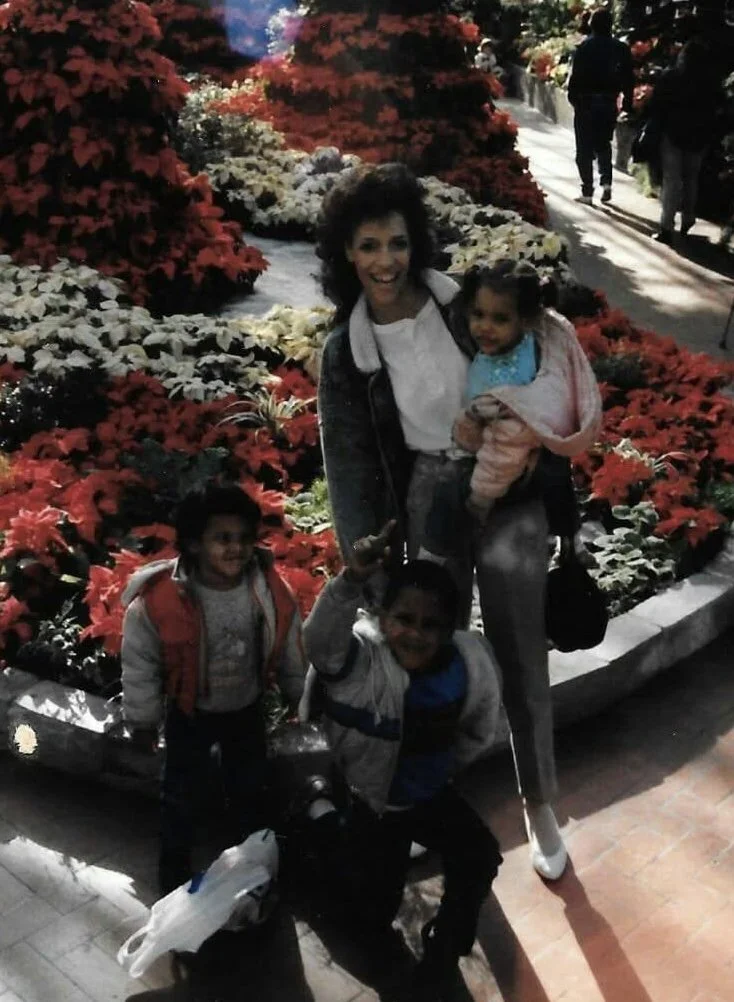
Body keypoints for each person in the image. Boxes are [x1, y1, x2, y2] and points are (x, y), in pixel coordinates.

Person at [315, 162, 603, 881]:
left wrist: (542, 452)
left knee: (519, 658)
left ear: (418, 243)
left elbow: (542, 368)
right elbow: (348, 460)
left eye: (398, 243)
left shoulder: (464, 305)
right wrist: (369, 558)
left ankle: (539, 802)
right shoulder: (345, 353)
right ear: (346, 255)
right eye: (370, 246)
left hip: (510, 487)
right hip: (430, 498)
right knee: (429, 661)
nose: (386, 261)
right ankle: (426, 801)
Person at [302, 522, 503, 992]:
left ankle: (445, 947)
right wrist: (350, 579)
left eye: (430, 625)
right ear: (381, 616)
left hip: (427, 795)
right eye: (403, 619)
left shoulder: (465, 665)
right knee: (370, 916)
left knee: (478, 855)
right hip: (374, 802)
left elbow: (479, 724)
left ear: (450, 630)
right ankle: (319, 816)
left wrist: (447, 771)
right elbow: (319, 643)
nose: (414, 634)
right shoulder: (362, 662)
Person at [121, 482, 306, 894]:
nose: (236, 549)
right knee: (180, 796)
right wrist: (143, 719)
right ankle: (174, 871)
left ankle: (251, 870)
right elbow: (141, 664)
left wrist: (300, 696)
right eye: (222, 539)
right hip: (190, 714)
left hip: (246, 710)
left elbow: (292, 648)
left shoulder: (270, 592)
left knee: (250, 790)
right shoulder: (161, 600)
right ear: (193, 543)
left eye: (243, 538)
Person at [419, 259, 600, 562]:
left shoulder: (507, 383)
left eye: (500, 319)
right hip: (522, 445)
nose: (485, 327)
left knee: (450, 481)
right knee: (557, 474)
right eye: (478, 314)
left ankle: (432, 558)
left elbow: (507, 445)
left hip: (514, 456)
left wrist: (480, 499)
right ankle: (570, 539)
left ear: (526, 320)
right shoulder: (529, 341)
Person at [644, 40, 722, 245]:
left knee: (672, 180)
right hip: (699, 137)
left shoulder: (672, 76)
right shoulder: (710, 82)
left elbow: (656, 104)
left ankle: (666, 226)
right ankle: (688, 218)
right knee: (691, 179)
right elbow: (718, 107)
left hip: (673, 134)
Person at [567, 7, 635, 205]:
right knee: (603, 144)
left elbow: (575, 78)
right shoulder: (620, 49)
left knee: (584, 148)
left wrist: (575, 101)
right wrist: (627, 102)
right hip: (607, 102)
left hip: (586, 102)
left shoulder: (583, 48)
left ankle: (587, 191)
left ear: (591, 25)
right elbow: (628, 78)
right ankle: (606, 183)